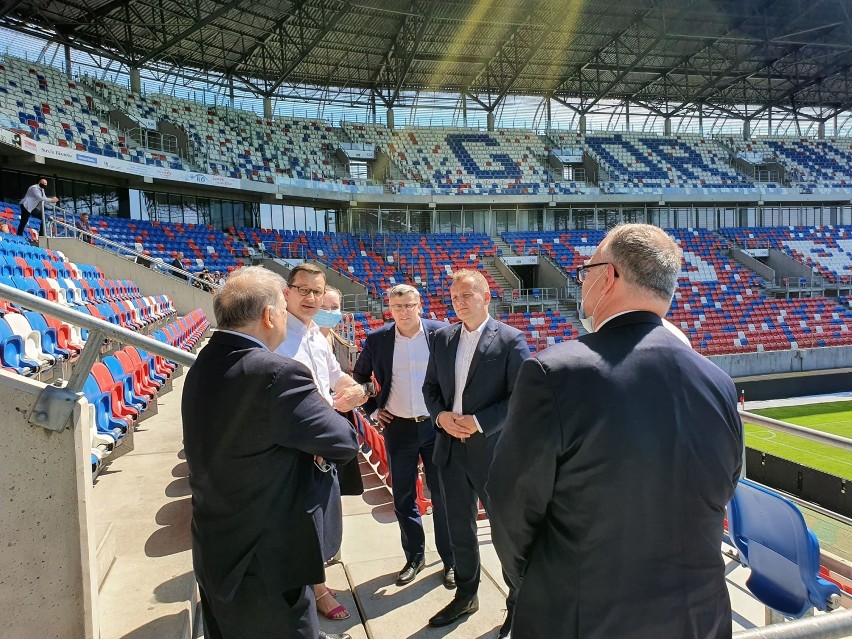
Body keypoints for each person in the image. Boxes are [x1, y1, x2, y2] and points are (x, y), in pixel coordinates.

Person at [487, 224, 743, 639]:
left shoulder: (554, 372)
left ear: (608, 276)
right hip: (700, 617)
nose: (582, 279)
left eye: (586, 270)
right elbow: (723, 486)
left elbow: (510, 502)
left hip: (582, 616)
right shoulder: (718, 382)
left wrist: (533, 580)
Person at [182, 265, 357, 639]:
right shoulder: (277, 373)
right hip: (267, 560)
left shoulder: (205, 361)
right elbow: (343, 440)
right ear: (269, 315)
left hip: (217, 547)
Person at [421, 269, 530, 636]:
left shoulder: (511, 340)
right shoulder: (442, 338)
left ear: (486, 295)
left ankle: (518, 603)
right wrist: (440, 417)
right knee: (458, 530)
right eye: (454, 296)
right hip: (449, 450)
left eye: (466, 295)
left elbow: (521, 398)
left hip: (492, 455)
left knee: (505, 532)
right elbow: (430, 388)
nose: (458, 301)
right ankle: (466, 594)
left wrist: (479, 422)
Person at [274, 263, 372, 622]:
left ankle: (314, 585)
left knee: (319, 518)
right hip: (297, 444)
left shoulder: (315, 334)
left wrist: (355, 389)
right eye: (304, 290)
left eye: (317, 291)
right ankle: (315, 591)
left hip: (321, 439)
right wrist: (336, 401)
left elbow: (336, 376)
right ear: (287, 292)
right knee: (305, 521)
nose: (311, 298)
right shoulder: (278, 334)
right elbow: (293, 399)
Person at [352, 284, 455, 589]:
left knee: (443, 497)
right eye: (398, 307)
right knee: (404, 497)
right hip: (398, 427)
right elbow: (359, 376)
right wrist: (371, 409)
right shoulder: (378, 339)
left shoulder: (442, 333)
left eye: (409, 306)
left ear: (419, 305)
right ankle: (414, 557)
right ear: (390, 309)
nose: (404, 312)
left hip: (436, 427)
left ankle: (451, 561)